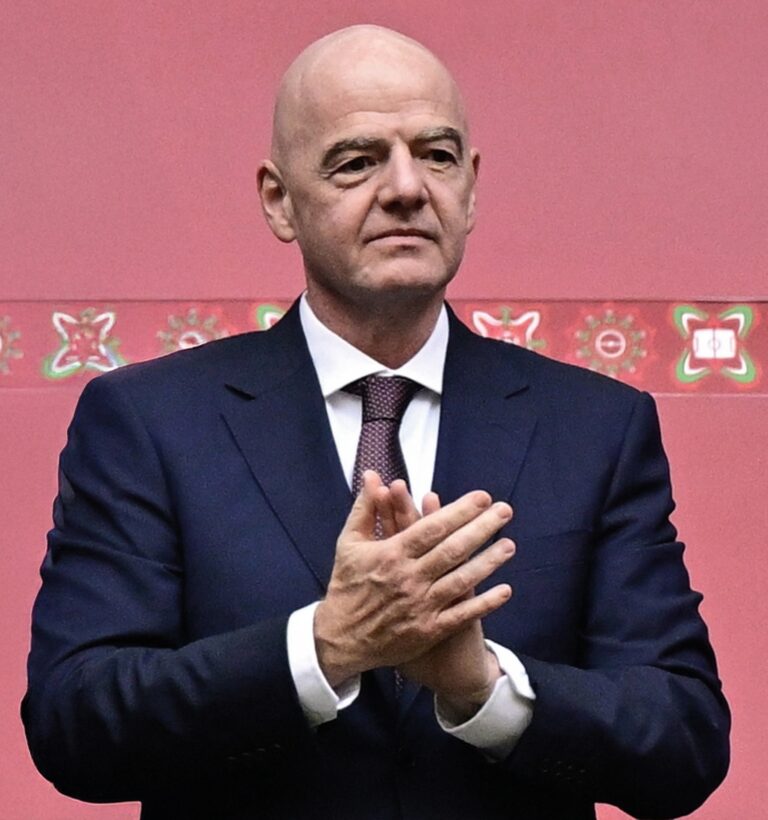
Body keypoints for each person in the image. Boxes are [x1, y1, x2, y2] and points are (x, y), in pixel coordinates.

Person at [23, 25, 729, 820]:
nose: (405, 188)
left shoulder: (597, 428)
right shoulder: (149, 422)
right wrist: (325, 647)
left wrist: (485, 689)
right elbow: (75, 720)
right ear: (279, 201)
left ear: (472, 187)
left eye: (436, 155)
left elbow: (684, 740)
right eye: (357, 161)